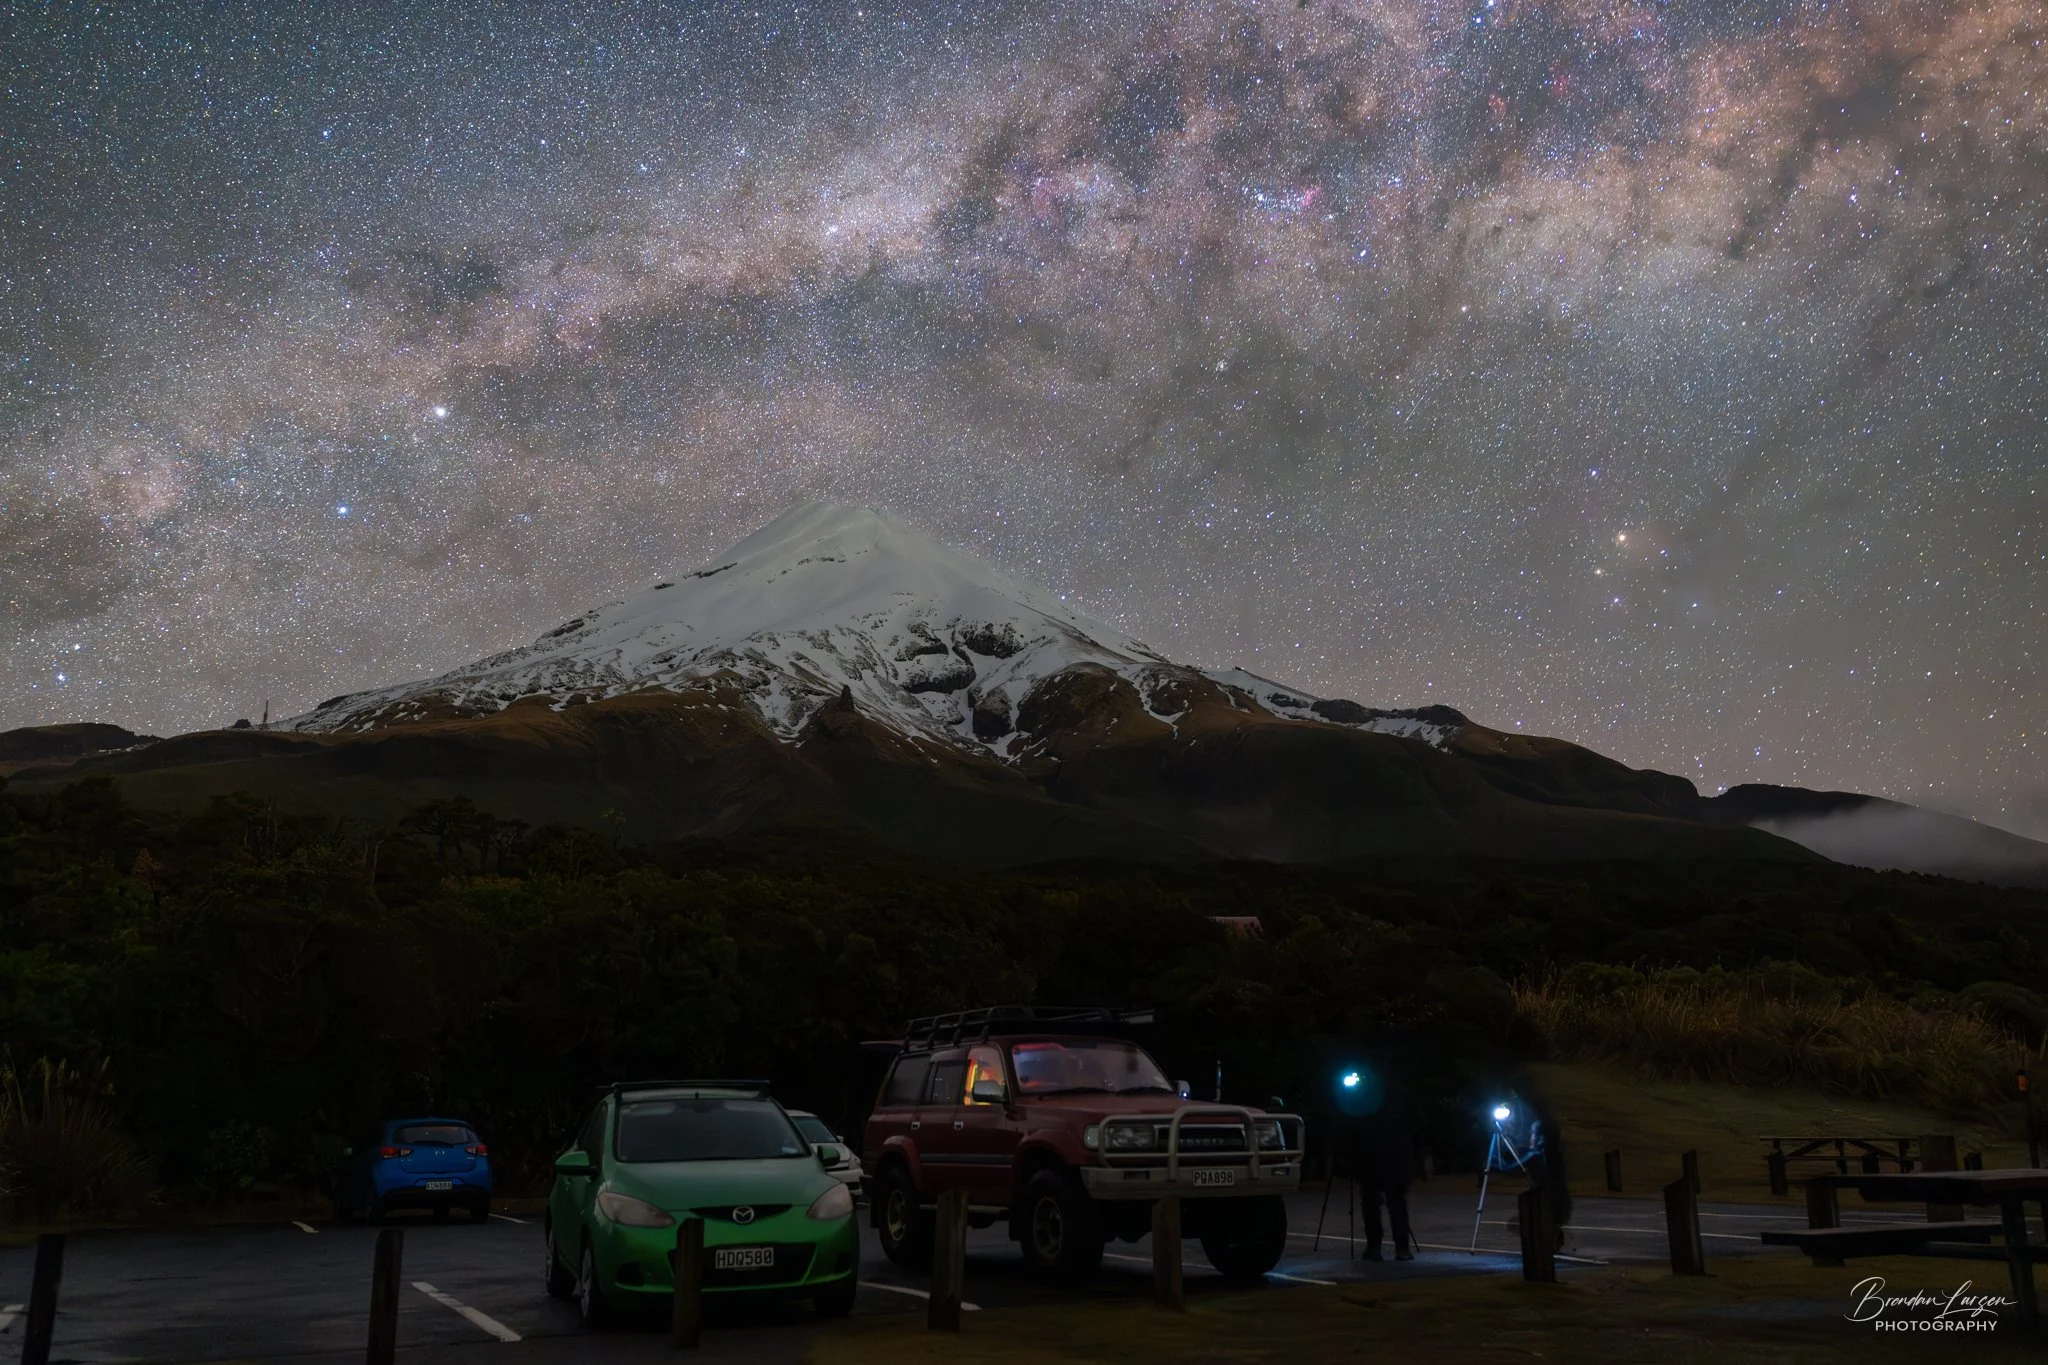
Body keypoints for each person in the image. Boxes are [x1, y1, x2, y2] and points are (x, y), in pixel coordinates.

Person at [1354, 1078, 1416, 1261]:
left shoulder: (1364, 1097)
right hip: (1393, 1155)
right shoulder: (1400, 1095)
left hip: (1372, 1155)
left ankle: (1375, 1246)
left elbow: (1354, 1125)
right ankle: (1401, 1247)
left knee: (1373, 1203)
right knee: (1395, 1202)